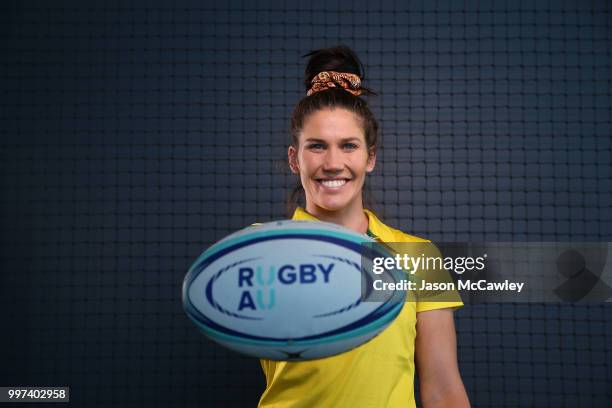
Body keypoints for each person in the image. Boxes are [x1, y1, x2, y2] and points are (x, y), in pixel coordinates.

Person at [257, 45, 470, 408]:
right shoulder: (259, 249)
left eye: (349, 146)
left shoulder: (419, 258)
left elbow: (443, 391)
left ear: (370, 157)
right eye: (317, 146)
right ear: (295, 159)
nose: (333, 162)